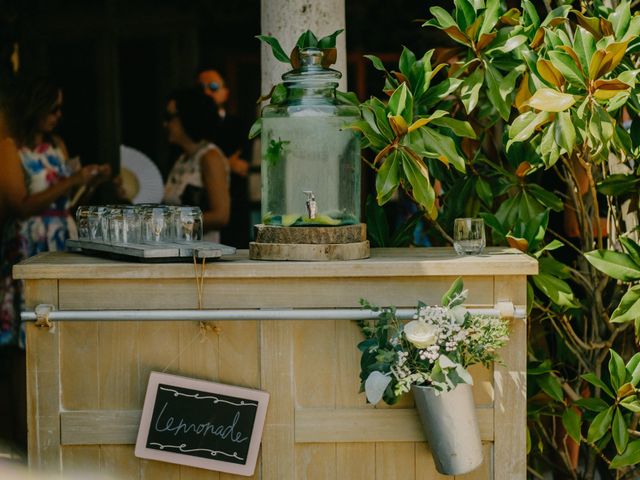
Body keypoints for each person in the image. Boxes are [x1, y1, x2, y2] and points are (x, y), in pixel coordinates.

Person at [0, 78, 110, 454]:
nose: (59, 117)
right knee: (21, 337)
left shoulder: (58, 145)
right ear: (34, 108)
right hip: (28, 241)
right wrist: (71, 181)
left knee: (59, 328)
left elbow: (68, 195)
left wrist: (87, 184)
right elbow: (20, 204)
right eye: (54, 109)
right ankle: (19, 438)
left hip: (61, 232)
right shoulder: (8, 148)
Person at [162, 87, 230, 242]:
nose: (165, 124)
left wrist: (171, 224)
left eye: (169, 117)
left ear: (187, 117)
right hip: (179, 248)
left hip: (200, 254)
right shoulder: (182, 158)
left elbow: (221, 216)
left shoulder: (210, 157)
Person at [197, 69, 251, 247]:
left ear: (225, 92)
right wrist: (226, 163)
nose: (206, 92)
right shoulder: (192, 128)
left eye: (213, 87)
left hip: (233, 209)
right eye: (201, 88)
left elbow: (242, 166)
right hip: (200, 211)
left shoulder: (239, 125)